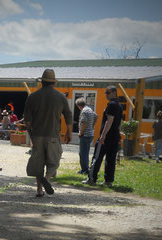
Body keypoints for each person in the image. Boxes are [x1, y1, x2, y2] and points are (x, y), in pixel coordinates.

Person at [23, 69, 72, 197]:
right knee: (54, 160)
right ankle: (48, 178)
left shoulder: (32, 97)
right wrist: (69, 132)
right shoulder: (61, 97)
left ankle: (39, 190)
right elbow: (68, 115)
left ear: (42, 82)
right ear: (53, 82)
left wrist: (31, 134)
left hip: (37, 134)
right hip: (53, 135)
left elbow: (27, 121)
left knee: (39, 162)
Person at [83, 86, 123, 187]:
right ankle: (108, 181)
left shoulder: (112, 104)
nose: (106, 95)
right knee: (111, 159)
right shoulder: (119, 105)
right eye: (105, 93)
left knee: (97, 157)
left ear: (114, 93)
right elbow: (119, 123)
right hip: (114, 137)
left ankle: (92, 178)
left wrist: (103, 135)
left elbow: (109, 121)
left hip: (107, 137)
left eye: (108, 93)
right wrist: (118, 136)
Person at [76, 97, 98, 174]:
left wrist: (80, 133)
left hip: (85, 135)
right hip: (90, 134)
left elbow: (84, 122)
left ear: (79, 105)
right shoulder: (90, 109)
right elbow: (96, 116)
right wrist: (92, 126)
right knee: (86, 152)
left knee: (82, 153)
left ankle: (84, 169)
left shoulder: (84, 111)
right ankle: (86, 168)